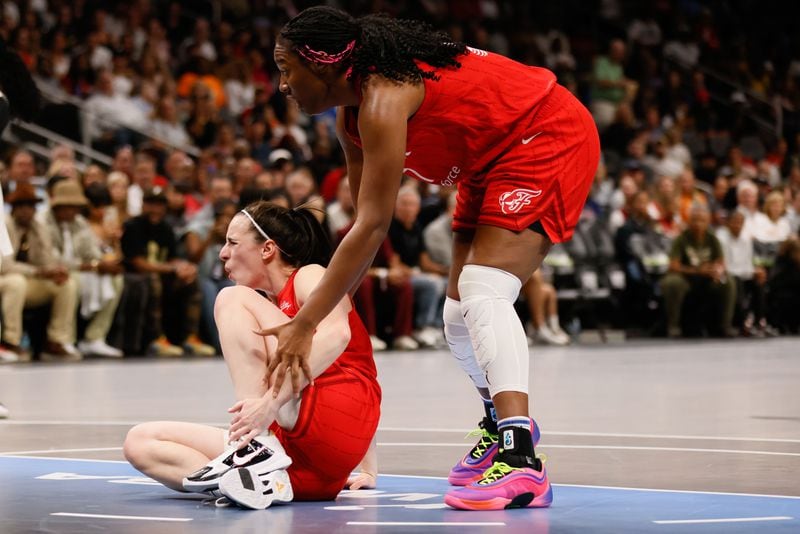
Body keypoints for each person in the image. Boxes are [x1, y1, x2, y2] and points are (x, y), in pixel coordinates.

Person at [262, 6, 600, 510]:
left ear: (325, 64)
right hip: (489, 161)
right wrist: (333, 312)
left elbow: (375, 225)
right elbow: (363, 228)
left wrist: (307, 322)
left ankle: (522, 459)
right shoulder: (350, 119)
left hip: (544, 134)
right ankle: (499, 422)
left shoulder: (384, 100)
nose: (283, 85)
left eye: (287, 69)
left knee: (485, 289)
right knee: (456, 315)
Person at [123, 201, 380, 509]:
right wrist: (368, 467)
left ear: (267, 249)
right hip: (305, 471)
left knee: (231, 298)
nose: (222, 253)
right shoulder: (267, 305)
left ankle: (256, 446)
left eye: (232, 242)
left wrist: (269, 404)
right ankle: (251, 482)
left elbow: (339, 335)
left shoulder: (308, 275)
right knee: (140, 442)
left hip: (325, 417)